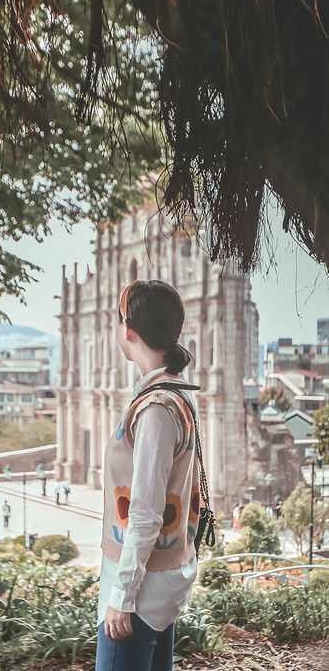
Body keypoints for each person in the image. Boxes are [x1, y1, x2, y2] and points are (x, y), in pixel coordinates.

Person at [95, 280, 199, 671]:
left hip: (139, 593)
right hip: (160, 581)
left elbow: (144, 511)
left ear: (128, 329)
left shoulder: (156, 407)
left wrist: (122, 596)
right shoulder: (177, 394)